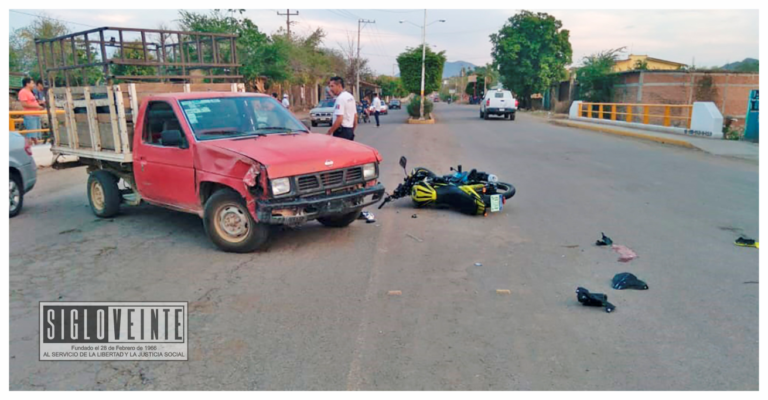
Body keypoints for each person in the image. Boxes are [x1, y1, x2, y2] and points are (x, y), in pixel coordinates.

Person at [18, 77, 44, 144]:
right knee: (31, 134)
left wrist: (39, 104)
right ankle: (29, 147)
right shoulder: (23, 92)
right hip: (30, 115)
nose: (34, 85)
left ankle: (36, 145)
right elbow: (24, 104)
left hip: (35, 114)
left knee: (35, 134)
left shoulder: (30, 92)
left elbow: (32, 102)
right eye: (32, 83)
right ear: (27, 84)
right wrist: (37, 106)